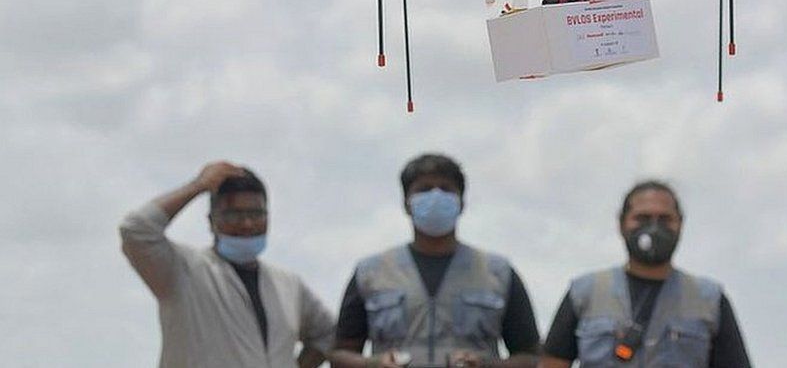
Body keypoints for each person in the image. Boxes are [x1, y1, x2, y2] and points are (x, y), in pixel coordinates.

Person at [331, 153, 541, 368]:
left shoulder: (498, 273)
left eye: (446, 188)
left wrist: (487, 365)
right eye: (424, 189)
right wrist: (374, 364)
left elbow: (531, 357)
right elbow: (340, 355)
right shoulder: (371, 272)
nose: (435, 195)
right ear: (407, 204)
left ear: (461, 202)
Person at [119, 161, 335, 368]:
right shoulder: (182, 270)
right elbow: (136, 230)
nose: (247, 223)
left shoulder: (288, 285)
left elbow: (328, 335)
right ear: (211, 221)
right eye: (234, 214)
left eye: (256, 214)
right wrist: (198, 186)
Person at [541, 180, 752, 368]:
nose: (654, 228)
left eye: (665, 219)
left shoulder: (709, 300)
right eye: (642, 218)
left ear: (680, 224)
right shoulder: (585, 292)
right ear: (622, 224)